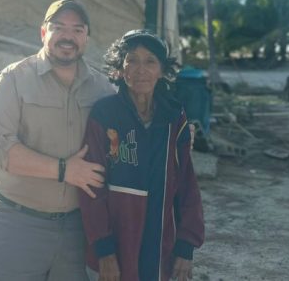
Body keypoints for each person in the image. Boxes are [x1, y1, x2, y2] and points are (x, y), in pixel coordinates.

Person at [0, 0, 116, 280]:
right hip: (17, 222)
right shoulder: (13, 80)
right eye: (59, 27)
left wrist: (175, 131)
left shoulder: (103, 89)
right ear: (44, 33)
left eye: (77, 29)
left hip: (79, 230)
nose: (68, 36)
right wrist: (65, 170)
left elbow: (131, 130)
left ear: (86, 38)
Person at [80, 30, 205, 281]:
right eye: (132, 60)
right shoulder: (104, 114)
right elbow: (91, 187)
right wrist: (104, 251)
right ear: (120, 67)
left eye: (150, 61)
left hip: (160, 246)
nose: (140, 69)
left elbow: (186, 185)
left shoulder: (173, 117)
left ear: (161, 70)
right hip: (114, 246)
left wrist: (186, 246)